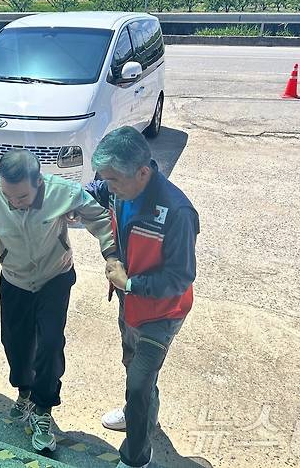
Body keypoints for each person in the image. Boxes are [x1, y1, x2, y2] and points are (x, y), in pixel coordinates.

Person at [0, 149, 116, 453]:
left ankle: (43, 408)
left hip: (54, 278)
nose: (14, 203)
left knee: (49, 343)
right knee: (14, 343)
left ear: (39, 182)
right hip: (15, 279)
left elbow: (100, 219)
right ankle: (25, 392)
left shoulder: (62, 192)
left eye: (22, 197)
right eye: (9, 196)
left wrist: (111, 256)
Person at [86, 126, 199, 468]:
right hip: (129, 303)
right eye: (105, 179)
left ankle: (136, 458)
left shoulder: (178, 212)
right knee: (133, 368)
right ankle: (139, 412)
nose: (109, 187)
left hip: (162, 313)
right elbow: (94, 192)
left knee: (138, 386)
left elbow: (180, 278)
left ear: (144, 172)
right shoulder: (120, 188)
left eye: (114, 180)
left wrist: (130, 283)